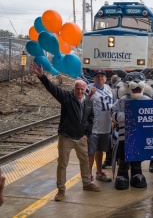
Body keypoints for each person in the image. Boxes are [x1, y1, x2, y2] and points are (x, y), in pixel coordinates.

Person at [29, 62, 100, 202]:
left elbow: (91, 119)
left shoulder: (88, 103)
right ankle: (61, 190)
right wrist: (41, 76)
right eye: (77, 89)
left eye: (82, 89)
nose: (79, 91)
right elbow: (52, 88)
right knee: (62, 164)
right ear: (74, 89)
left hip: (81, 138)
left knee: (85, 162)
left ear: (86, 89)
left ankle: (86, 184)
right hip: (66, 137)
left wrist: (87, 133)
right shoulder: (66, 97)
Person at [87, 69, 113, 182]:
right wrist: (90, 95)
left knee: (100, 150)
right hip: (94, 126)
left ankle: (98, 172)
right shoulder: (89, 87)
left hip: (106, 125)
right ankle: (88, 175)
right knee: (91, 152)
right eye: (97, 76)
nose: (100, 78)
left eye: (102, 76)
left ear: (105, 78)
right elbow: (82, 103)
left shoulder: (108, 88)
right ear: (94, 78)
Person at [102, 74, 121, 169]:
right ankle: (119, 160)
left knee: (110, 141)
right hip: (119, 120)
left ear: (111, 82)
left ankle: (108, 160)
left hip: (110, 120)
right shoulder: (122, 92)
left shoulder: (108, 91)